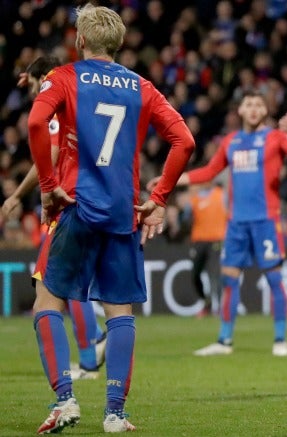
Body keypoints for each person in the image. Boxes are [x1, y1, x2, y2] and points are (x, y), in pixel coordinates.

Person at [28, 4, 194, 434]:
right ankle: (115, 413)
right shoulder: (142, 86)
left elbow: (34, 121)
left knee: (47, 301)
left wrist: (47, 186)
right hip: (124, 212)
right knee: (120, 312)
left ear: (80, 41)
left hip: (77, 206)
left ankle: (64, 400)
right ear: (119, 45)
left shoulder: (63, 77)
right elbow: (184, 140)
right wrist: (159, 197)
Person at [149, 90, 287, 358]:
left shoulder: (275, 137)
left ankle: (280, 339)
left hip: (265, 220)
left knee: (274, 278)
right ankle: (224, 340)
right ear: (241, 111)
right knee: (229, 280)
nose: (254, 109)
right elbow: (209, 171)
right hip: (236, 223)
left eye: (259, 104)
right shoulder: (231, 141)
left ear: (265, 111)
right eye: (249, 104)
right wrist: (170, 179)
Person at [1, 55, 108, 381]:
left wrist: (18, 195)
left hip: (67, 202)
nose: (35, 96)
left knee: (54, 285)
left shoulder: (56, 93)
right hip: (92, 198)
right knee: (65, 283)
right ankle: (92, 353)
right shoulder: (77, 91)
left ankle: (91, 354)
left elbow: (49, 153)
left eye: (33, 87)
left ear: (36, 77)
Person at [186, 181, 227, 317]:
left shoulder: (221, 195)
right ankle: (206, 301)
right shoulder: (194, 199)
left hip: (217, 240)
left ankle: (220, 308)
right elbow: (186, 219)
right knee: (194, 274)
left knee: (215, 274)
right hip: (199, 241)